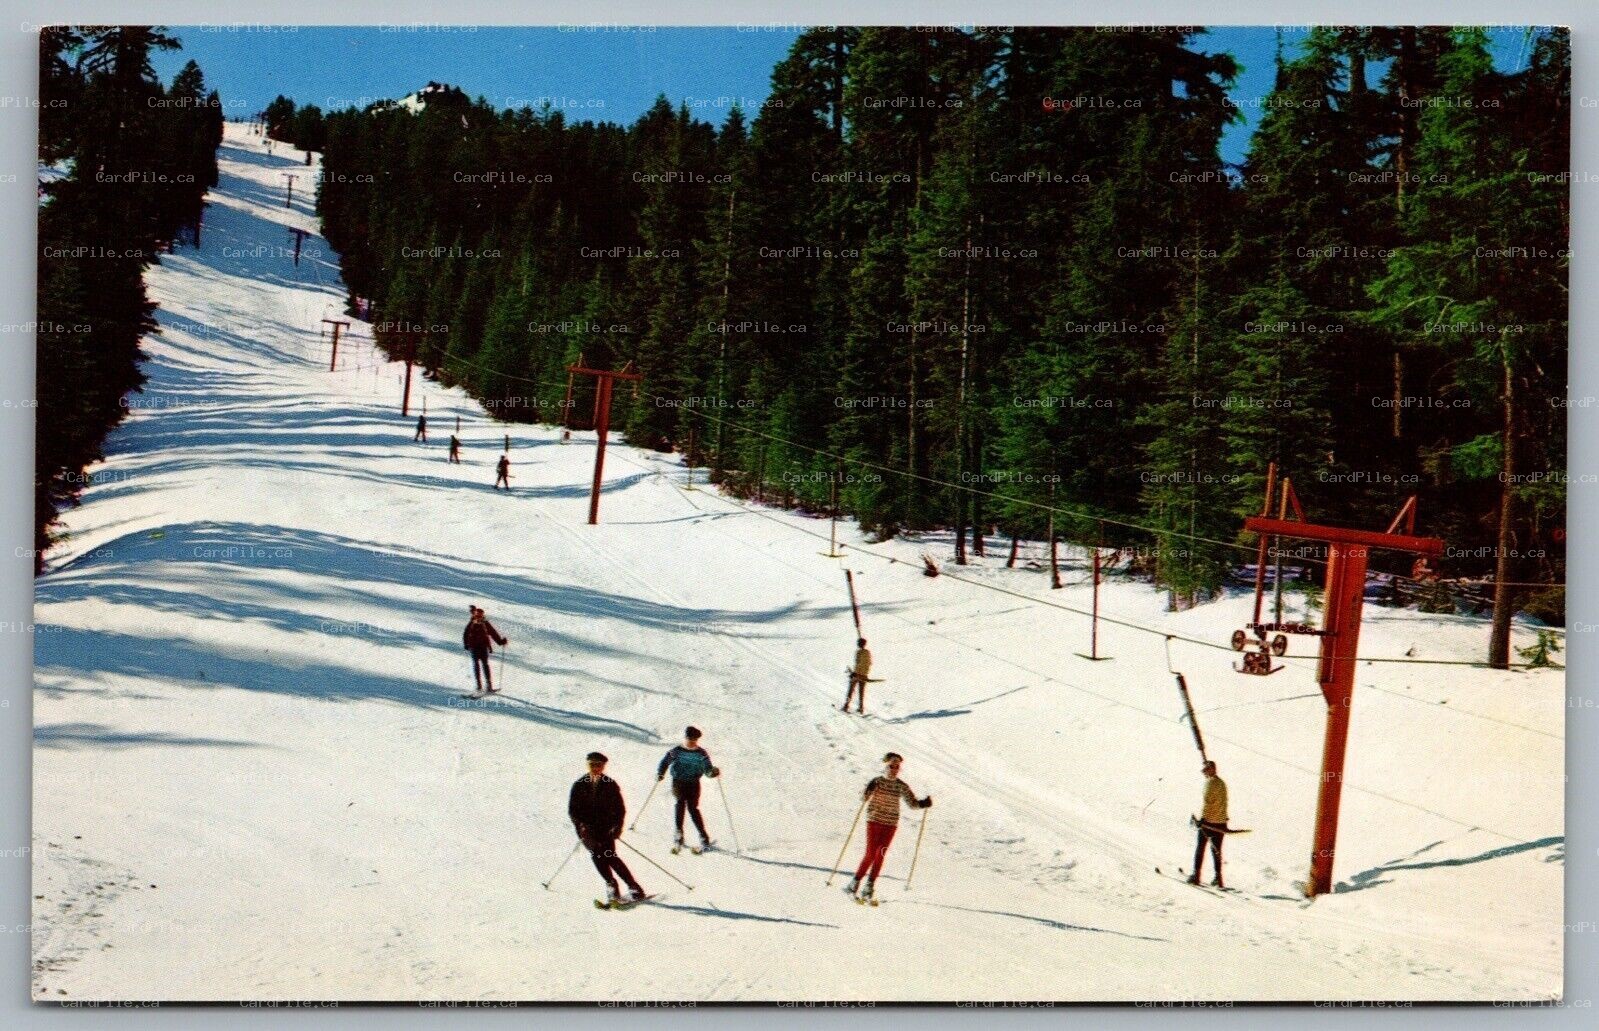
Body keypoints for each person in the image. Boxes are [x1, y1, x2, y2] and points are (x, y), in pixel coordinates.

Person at [847, 752, 931, 902]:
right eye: (891, 766)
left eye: (897, 767)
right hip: (874, 821)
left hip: (890, 824)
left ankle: (870, 885)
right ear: (885, 766)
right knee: (871, 853)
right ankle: (855, 882)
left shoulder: (901, 785)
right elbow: (863, 798)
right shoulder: (877, 782)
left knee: (881, 853)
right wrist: (867, 791)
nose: (894, 769)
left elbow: (912, 803)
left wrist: (923, 803)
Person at [569, 752, 645, 905]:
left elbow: (620, 809)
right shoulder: (579, 785)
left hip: (606, 828)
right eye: (592, 765)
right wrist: (581, 826)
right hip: (587, 830)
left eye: (599, 765)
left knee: (610, 856)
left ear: (603, 766)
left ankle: (634, 887)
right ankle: (611, 885)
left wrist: (617, 827)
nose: (596, 768)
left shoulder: (610, 784)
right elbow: (573, 810)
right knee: (597, 855)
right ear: (587, 765)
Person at [656, 726, 720, 852]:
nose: (691, 742)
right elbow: (665, 761)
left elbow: (707, 769)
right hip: (678, 782)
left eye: (694, 740)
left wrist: (712, 773)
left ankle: (703, 836)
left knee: (693, 809)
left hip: (694, 783)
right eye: (689, 739)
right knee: (680, 804)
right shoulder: (677, 751)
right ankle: (679, 834)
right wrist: (660, 773)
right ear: (685, 738)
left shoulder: (701, 753)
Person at [1189, 760, 1228, 888]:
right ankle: (1218, 877)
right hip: (1221, 823)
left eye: (1206, 770)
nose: (1204, 773)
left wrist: (1202, 820)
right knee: (1216, 850)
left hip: (1209, 823)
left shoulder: (1210, 784)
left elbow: (1208, 803)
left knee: (1200, 848)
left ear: (1211, 770)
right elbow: (1223, 802)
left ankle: (1196, 875)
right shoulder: (1221, 783)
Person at [462, 605, 508, 694]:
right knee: (477, 665)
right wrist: (466, 644)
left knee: (485, 665)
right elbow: (466, 634)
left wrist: (500, 642)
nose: (479, 618)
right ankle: (479, 686)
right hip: (474, 647)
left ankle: (488, 686)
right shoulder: (472, 623)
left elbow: (493, 633)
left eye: (481, 616)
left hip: (483, 647)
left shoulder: (485, 623)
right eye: (478, 616)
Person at [842, 638, 872, 714]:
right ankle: (861, 708)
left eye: (858, 643)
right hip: (864, 675)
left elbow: (859, 664)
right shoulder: (867, 652)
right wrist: (865, 673)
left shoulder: (859, 652)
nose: (857, 644)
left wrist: (855, 673)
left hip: (857, 674)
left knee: (851, 690)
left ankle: (846, 706)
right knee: (861, 692)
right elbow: (869, 663)